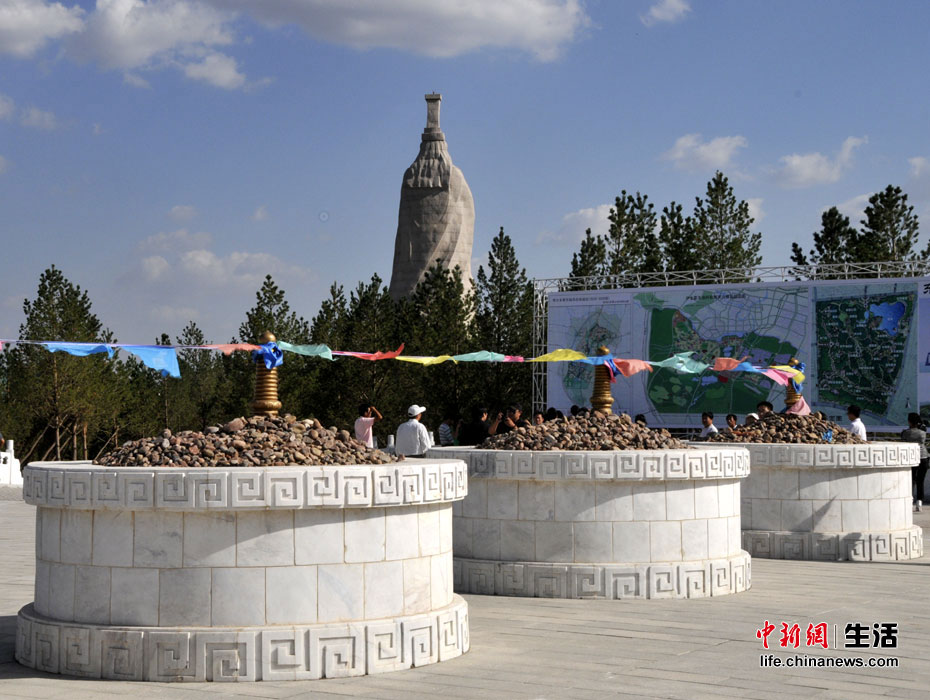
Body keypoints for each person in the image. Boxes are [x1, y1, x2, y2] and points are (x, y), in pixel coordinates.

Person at [901, 413, 929, 512]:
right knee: (920, 481)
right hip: (923, 457)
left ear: (909, 421)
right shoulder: (922, 432)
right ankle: (919, 502)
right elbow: (923, 440)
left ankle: (910, 500)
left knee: (911, 480)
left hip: (911, 458)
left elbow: (903, 440)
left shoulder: (906, 432)